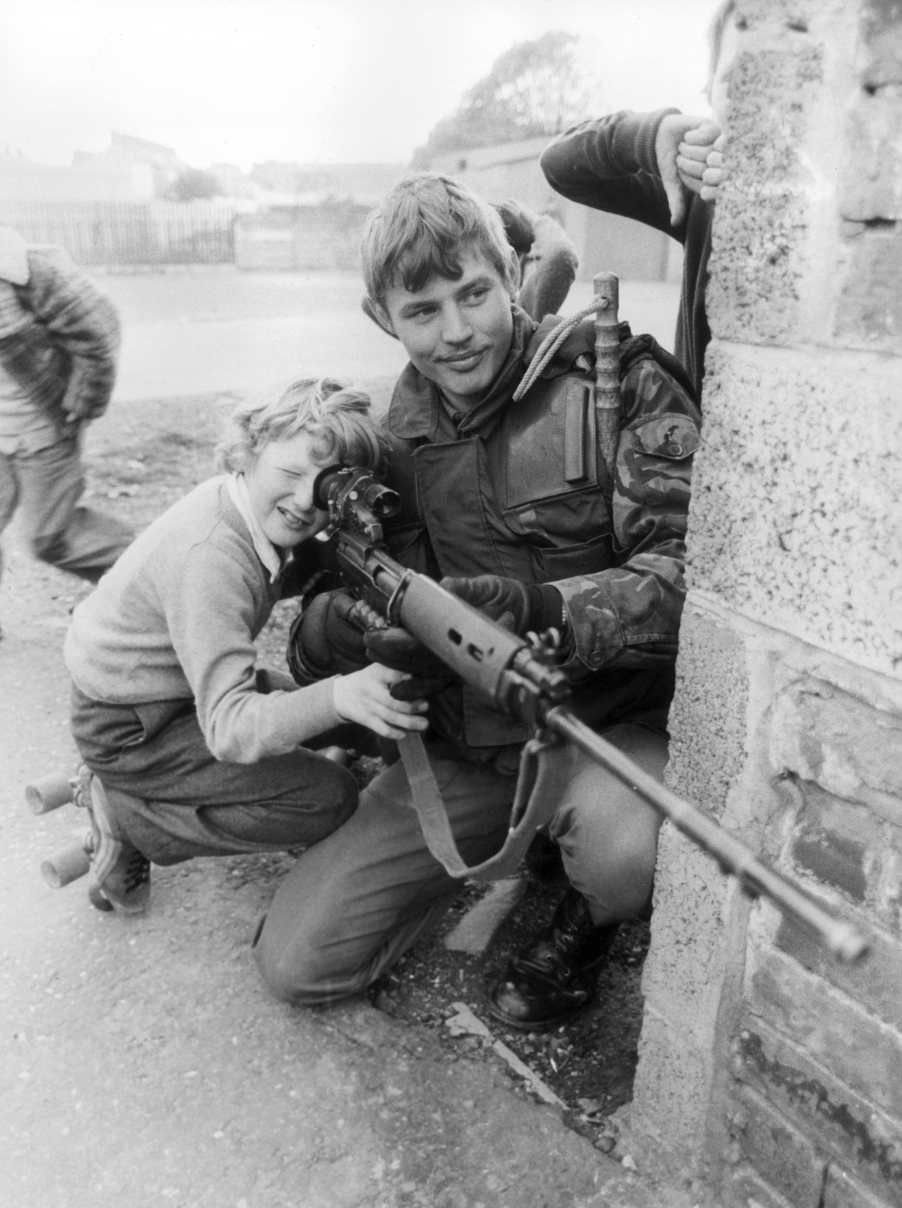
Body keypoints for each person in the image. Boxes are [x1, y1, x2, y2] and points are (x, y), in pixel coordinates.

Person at [252, 172, 702, 1031]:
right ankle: (504, 854)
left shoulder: (614, 388)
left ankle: (588, 917)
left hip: (600, 729)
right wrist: (336, 635)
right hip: (468, 748)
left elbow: (690, 583)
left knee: (624, 844)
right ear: (382, 317)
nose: (458, 333)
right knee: (296, 963)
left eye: (475, 294)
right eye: (423, 312)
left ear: (510, 274)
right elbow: (311, 613)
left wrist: (545, 608)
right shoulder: (386, 446)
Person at [63, 377, 428, 915]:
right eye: (290, 473)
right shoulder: (211, 557)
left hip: (170, 689)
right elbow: (231, 729)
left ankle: (158, 791)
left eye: (328, 486)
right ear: (248, 452)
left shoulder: (244, 508)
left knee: (346, 725)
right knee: (326, 797)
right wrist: (341, 694)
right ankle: (131, 820)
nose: (306, 502)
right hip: (132, 727)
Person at [538, 0, 739, 400]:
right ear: (710, 94)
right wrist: (646, 137)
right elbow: (560, 164)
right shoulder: (697, 192)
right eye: (735, 81)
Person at [0, 226, 134, 626]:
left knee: (48, 538)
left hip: (40, 429)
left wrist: (84, 399)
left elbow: (97, 333)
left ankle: (151, 576)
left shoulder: (24, 270)